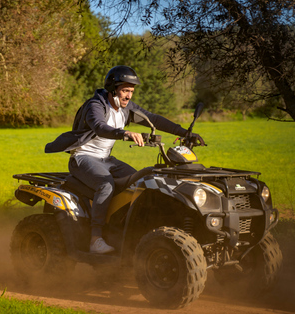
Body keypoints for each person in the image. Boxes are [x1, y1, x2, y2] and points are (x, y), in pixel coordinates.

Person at [45, 65, 205, 254]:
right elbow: (99, 126)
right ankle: (96, 238)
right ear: (113, 88)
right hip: (83, 157)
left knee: (140, 181)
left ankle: (123, 231)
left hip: (106, 159)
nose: (129, 96)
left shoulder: (126, 108)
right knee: (106, 185)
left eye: (131, 91)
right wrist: (124, 133)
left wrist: (185, 132)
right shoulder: (95, 105)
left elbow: (153, 119)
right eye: (125, 91)